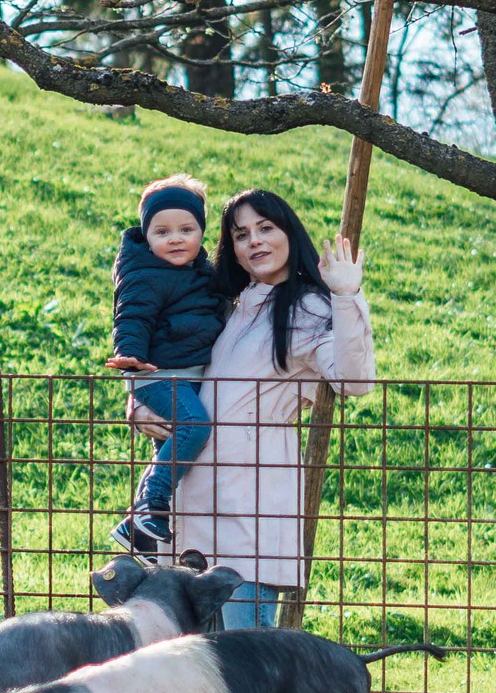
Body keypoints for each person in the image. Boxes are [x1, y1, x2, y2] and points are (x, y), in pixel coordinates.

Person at [130, 188, 374, 628]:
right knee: (188, 670)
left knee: (244, 669)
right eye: (241, 235)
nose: (255, 241)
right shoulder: (229, 306)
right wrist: (138, 405)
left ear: (289, 234)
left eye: (266, 228)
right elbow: (174, 366)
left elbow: (354, 380)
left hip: (249, 514)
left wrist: (346, 295)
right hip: (190, 515)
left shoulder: (307, 308)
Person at [106, 173, 227, 555]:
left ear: (201, 233)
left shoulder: (201, 273)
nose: (175, 238)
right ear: (147, 236)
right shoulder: (145, 274)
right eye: (162, 232)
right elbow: (132, 317)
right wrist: (131, 356)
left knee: (171, 448)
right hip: (154, 375)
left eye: (186, 229)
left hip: (184, 375)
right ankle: (151, 504)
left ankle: (137, 529)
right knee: (195, 425)